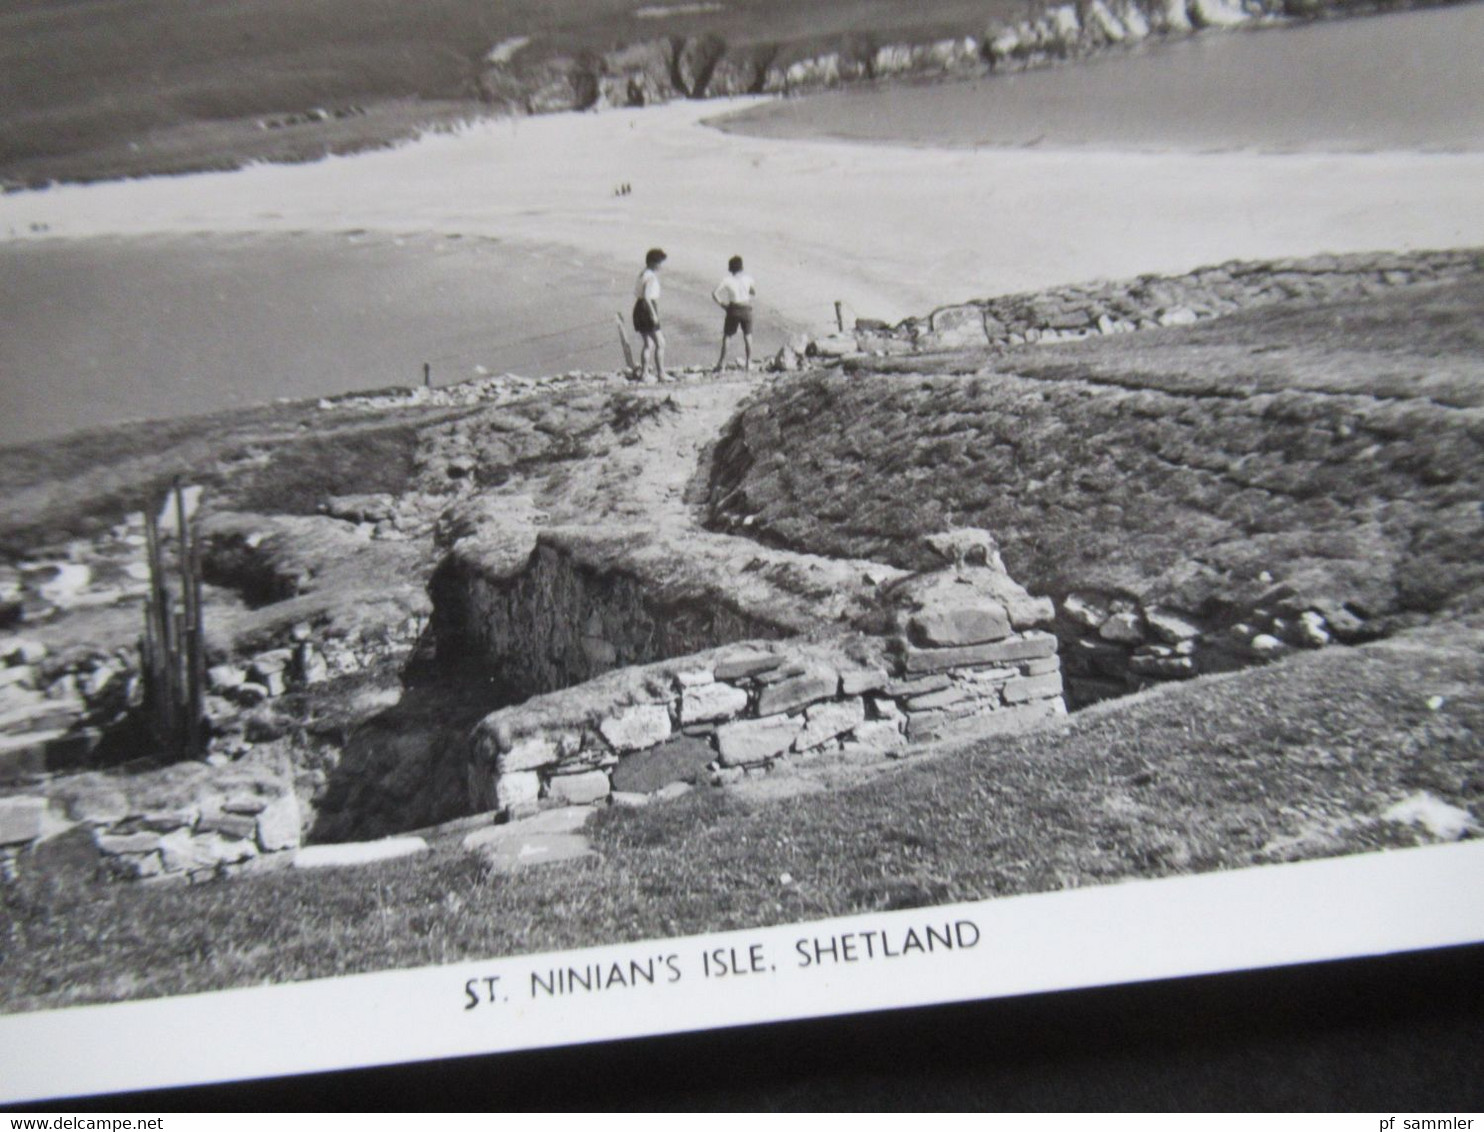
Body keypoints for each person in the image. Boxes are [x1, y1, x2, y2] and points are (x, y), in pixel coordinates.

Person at [712, 255, 757, 374]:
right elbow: (753, 292)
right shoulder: (748, 278)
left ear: (730, 268)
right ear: (741, 267)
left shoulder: (726, 280)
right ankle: (748, 363)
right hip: (746, 307)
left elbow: (715, 293)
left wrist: (723, 305)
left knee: (728, 336)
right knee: (748, 336)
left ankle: (722, 365)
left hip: (733, 308)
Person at [632, 247, 667, 381]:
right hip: (647, 308)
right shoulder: (651, 277)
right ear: (654, 262)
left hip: (639, 307)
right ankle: (661, 374)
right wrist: (654, 314)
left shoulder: (643, 274)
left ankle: (644, 373)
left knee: (648, 344)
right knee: (660, 343)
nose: (662, 266)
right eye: (660, 262)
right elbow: (647, 297)